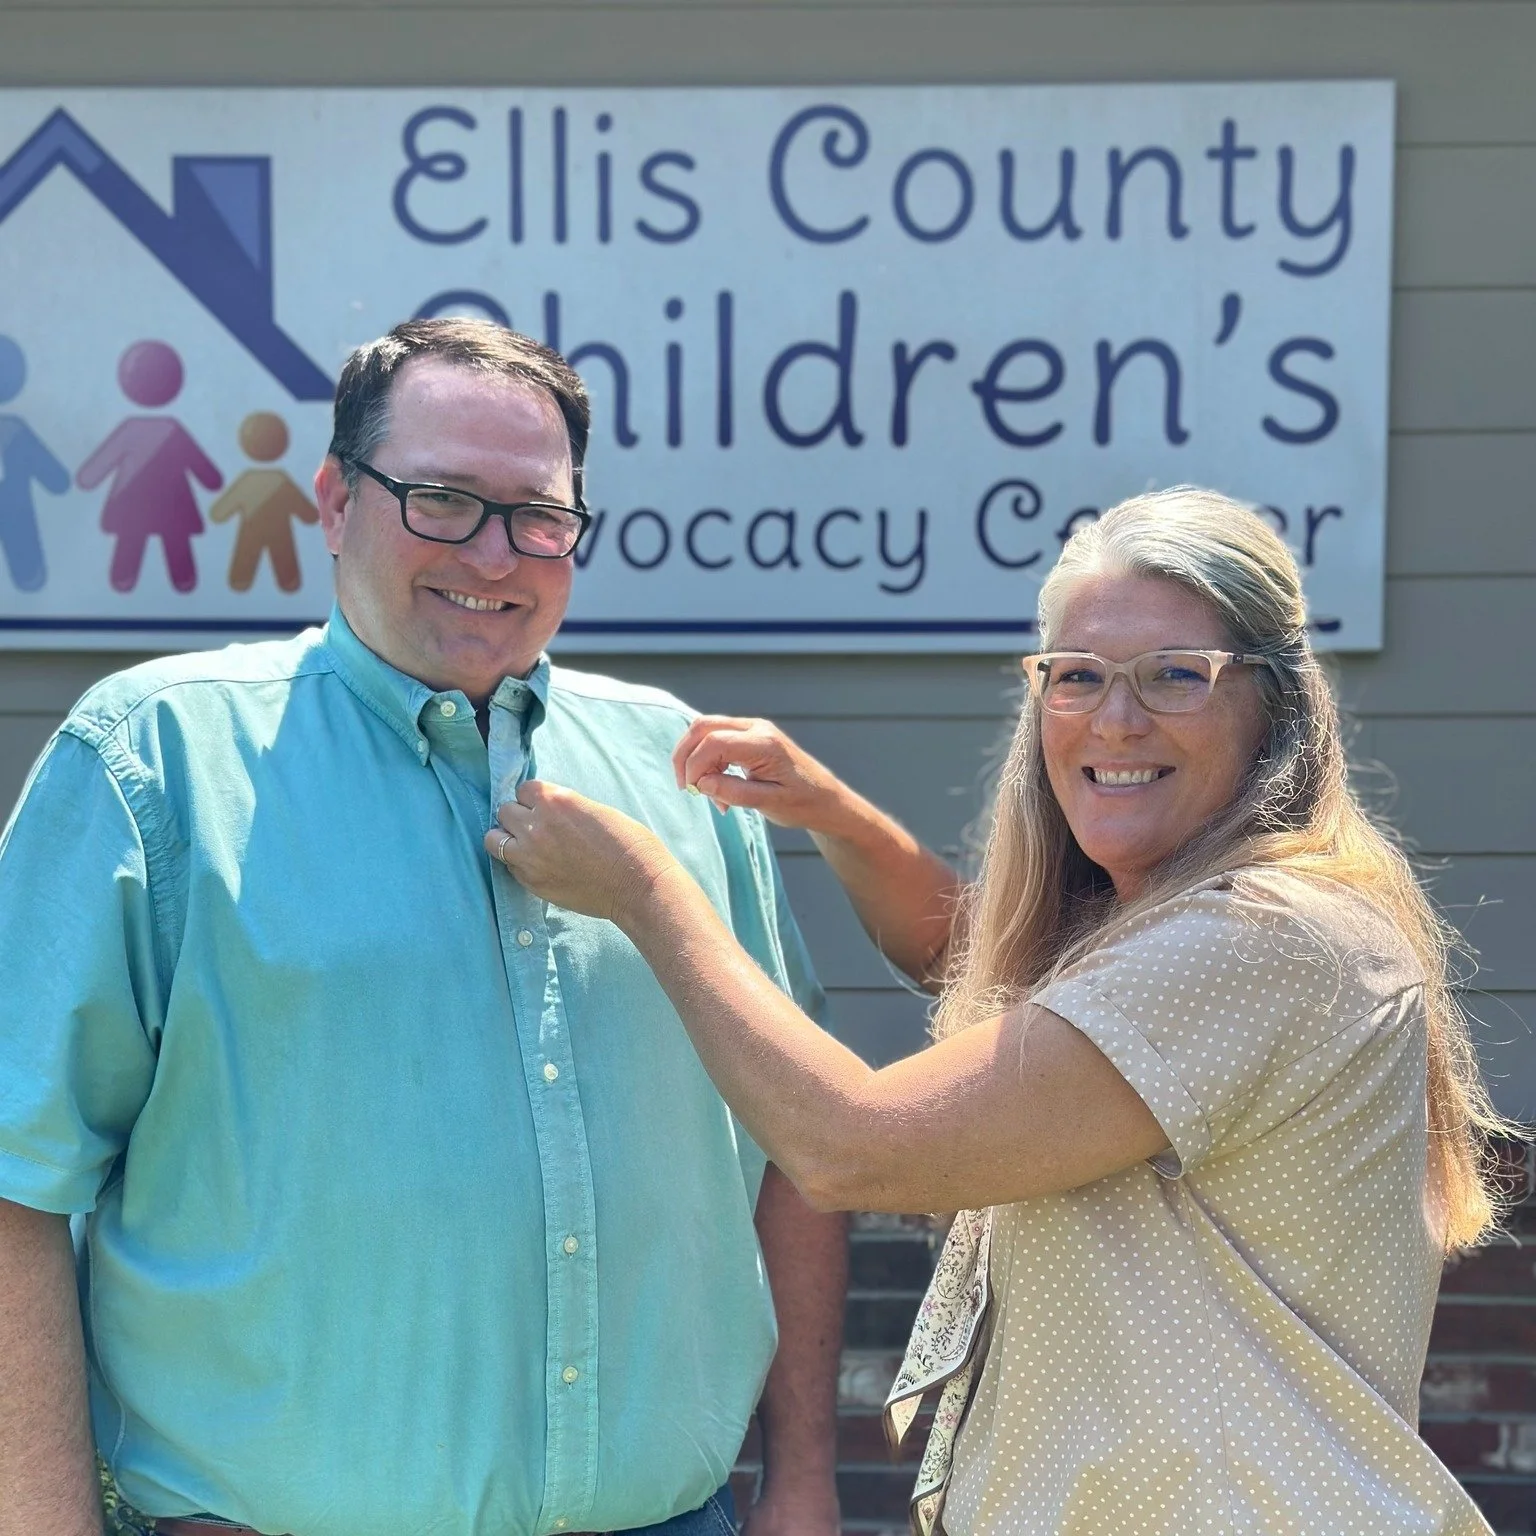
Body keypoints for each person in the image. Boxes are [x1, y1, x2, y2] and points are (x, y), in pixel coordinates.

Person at [489, 488, 1510, 1536]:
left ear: (1274, 705)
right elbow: (964, 956)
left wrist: (648, 894)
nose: (1116, 718)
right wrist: (829, 812)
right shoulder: (1178, 928)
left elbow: (853, 1148)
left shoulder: (1259, 941)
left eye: (1174, 676)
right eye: (1076, 677)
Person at [0, 318, 846, 1536]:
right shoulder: (156, 762)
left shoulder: (674, 771)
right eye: (442, 499)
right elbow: (18, 1181)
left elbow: (801, 1139)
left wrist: (805, 1481)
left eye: (538, 515)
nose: (494, 554)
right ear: (335, 501)